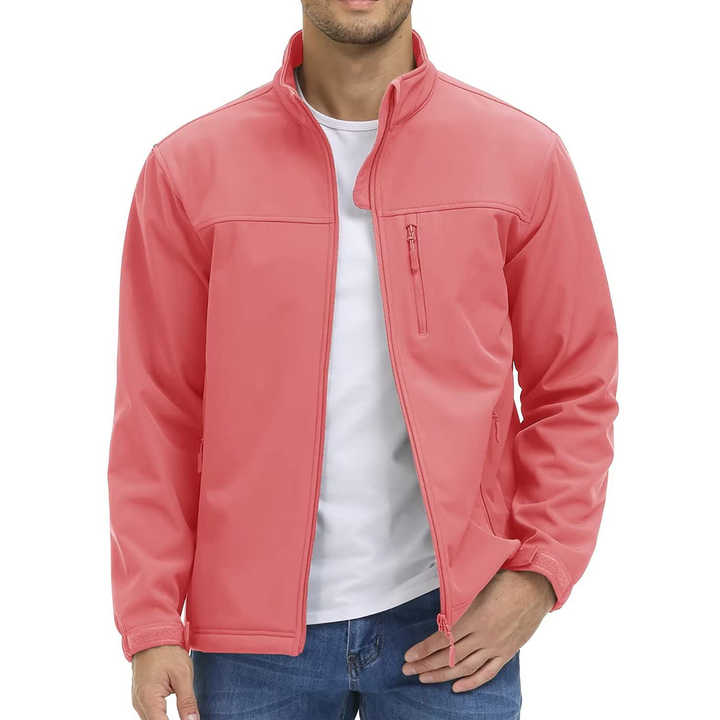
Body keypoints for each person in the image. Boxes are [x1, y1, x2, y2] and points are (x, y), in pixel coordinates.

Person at [108, 1, 618, 718]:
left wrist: (539, 573)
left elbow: (575, 386)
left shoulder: (521, 157)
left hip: (454, 623)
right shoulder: (188, 169)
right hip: (247, 646)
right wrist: (152, 620)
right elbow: (157, 412)